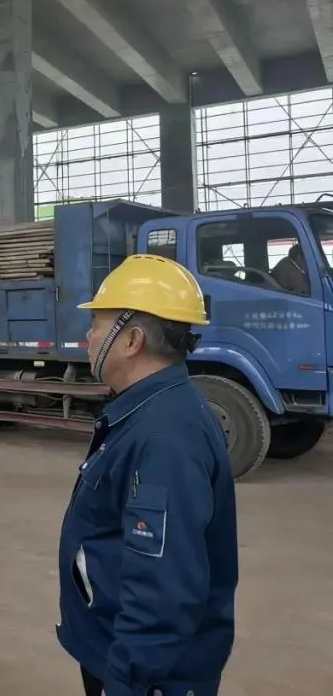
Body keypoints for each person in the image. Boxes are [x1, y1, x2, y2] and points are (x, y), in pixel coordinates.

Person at [56, 254, 238, 696]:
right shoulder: (149, 411)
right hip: (111, 646)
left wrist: (127, 684)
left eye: (97, 325)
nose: (89, 336)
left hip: (144, 674)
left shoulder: (165, 436)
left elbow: (163, 592)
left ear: (132, 339)